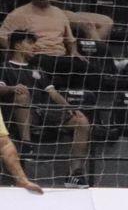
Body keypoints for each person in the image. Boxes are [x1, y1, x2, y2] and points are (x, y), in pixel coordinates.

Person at [0, 30, 90, 184]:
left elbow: (53, 93)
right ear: (18, 45)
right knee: (22, 94)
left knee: (82, 121)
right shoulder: (4, 67)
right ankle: (27, 144)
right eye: (30, 43)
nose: (34, 47)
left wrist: (70, 108)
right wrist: (12, 88)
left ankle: (75, 174)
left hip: (43, 111)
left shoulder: (38, 69)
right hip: (16, 115)